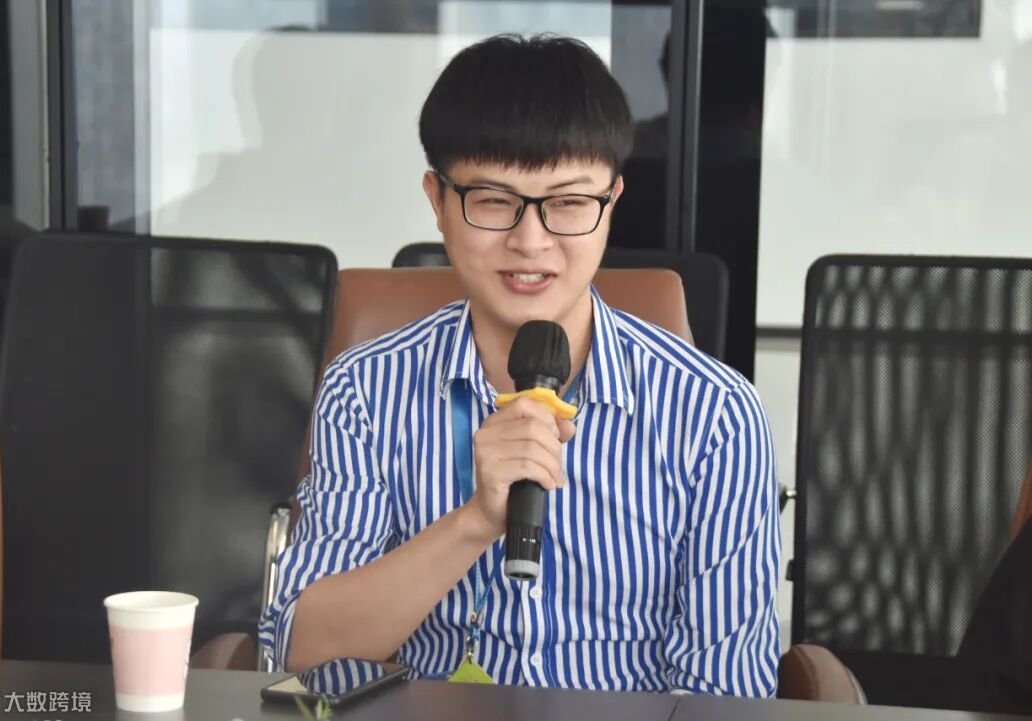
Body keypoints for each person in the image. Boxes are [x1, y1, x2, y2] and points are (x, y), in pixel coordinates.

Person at [259, 33, 780, 696]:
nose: (530, 242)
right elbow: (303, 650)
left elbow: (724, 693)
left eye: (568, 203)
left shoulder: (716, 415)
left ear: (612, 203)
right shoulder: (365, 389)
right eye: (494, 201)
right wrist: (474, 521)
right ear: (438, 201)